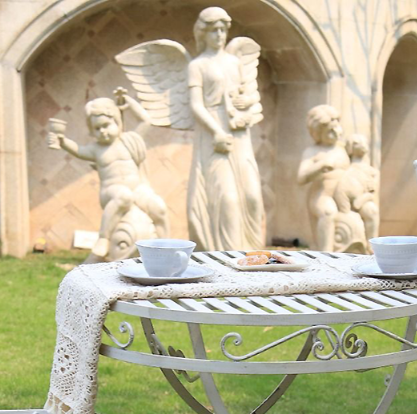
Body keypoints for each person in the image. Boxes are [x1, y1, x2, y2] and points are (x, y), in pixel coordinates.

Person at [47, 92, 169, 259]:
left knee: (158, 207)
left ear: (117, 122)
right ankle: (103, 238)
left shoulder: (128, 140)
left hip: (138, 189)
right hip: (111, 192)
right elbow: (78, 150)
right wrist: (62, 141)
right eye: (97, 128)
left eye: (106, 125)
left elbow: (145, 121)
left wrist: (130, 103)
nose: (103, 131)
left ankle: (165, 246)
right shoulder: (96, 149)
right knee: (124, 196)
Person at [187, 7, 265, 250]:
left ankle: (253, 254)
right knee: (227, 199)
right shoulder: (197, 65)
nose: (219, 35)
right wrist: (216, 132)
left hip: (239, 132)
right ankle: (227, 256)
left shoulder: (234, 62)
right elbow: (196, 105)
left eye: (222, 29)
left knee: (252, 196)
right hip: (213, 132)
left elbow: (249, 94)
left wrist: (246, 102)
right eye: (214, 30)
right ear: (203, 33)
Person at [297, 105, 351, 251]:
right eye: (330, 131)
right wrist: (320, 165)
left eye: (337, 128)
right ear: (318, 133)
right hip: (322, 195)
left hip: (344, 195)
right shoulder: (312, 151)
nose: (336, 132)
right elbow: (301, 177)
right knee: (328, 212)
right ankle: (326, 252)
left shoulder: (342, 148)